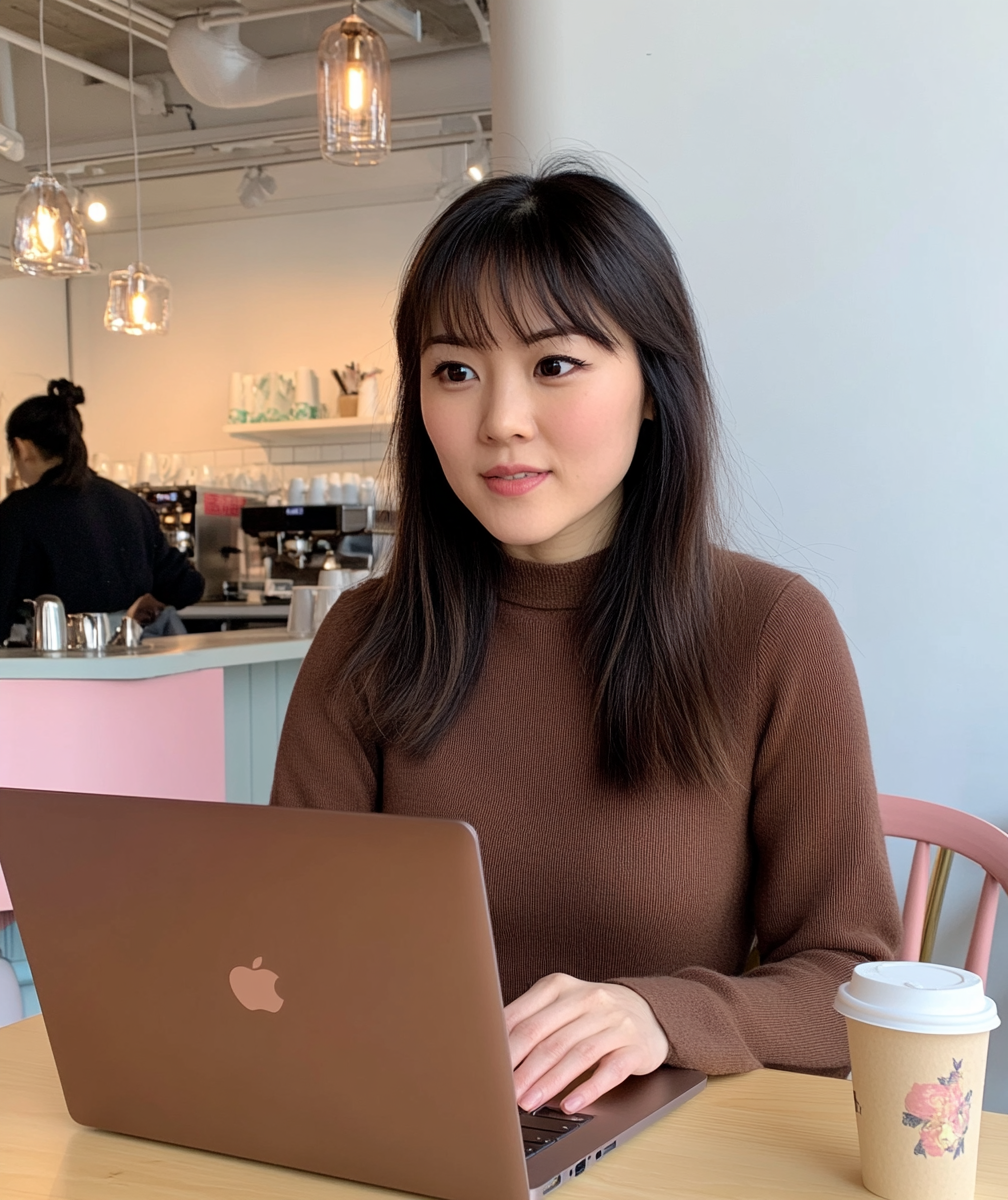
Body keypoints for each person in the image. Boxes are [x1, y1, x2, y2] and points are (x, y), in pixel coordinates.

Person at [271, 170, 902, 1114]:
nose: (500, 422)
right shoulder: (367, 638)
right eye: (455, 371)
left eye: (554, 364)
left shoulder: (771, 632)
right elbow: (285, 943)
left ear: (654, 385)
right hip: (405, 1127)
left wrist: (661, 1014)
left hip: (666, 1156)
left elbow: (853, 987)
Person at [0, 379, 205, 643]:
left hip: (49, 669)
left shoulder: (18, 512)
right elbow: (188, 586)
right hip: (124, 663)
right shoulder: (131, 504)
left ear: (22, 447)